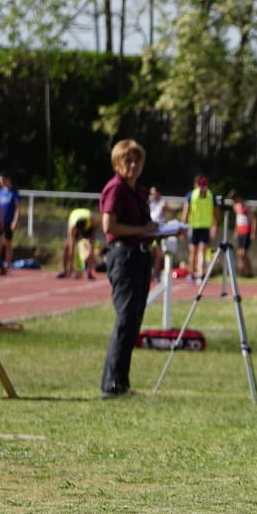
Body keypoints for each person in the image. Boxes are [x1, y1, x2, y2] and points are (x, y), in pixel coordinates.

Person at [99, 139, 172, 398]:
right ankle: (112, 385)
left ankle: (121, 382)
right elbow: (109, 226)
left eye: (137, 160)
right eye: (127, 160)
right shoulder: (116, 189)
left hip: (140, 256)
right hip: (124, 257)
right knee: (125, 319)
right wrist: (142, 230)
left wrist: (160, 231)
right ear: (118, 163)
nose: (132, 165)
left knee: (133, 322)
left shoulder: (139, 191)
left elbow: (145, 225)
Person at [184, 176, 217, 281]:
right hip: (198, 226)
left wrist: (214, 226)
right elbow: (186, 212)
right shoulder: (207, 195)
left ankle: (198, 273)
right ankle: (195, 273)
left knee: (198, 251)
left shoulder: (207, 196)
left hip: (201, 226)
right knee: (197, 251)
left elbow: (185, 213)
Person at [148, 185, 180, 280]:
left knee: (158, 254)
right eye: (151, 194)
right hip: (150, 232)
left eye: (154, 193)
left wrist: (168, 224)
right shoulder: (151, 204)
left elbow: (173, 212)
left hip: (159, 233)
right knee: (151, 253)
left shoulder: (162, 204)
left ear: (158, 194)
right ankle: (152, 273)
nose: (152, 195)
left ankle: (156, 274)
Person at [59, 207, 99, 280]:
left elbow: (95, 231)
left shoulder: (94, 220)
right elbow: (72, 247)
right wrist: (71, 265)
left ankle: (90, 271)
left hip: (89, 222)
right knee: (67, 246)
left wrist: (91, 251)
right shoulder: (73, 225)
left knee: (91, 246)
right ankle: (66, 270)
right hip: (75, 218)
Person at [0, 173, 20, 272]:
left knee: (8, 243)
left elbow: (18, 208)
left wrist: (15, 221)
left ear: (7, 179)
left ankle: (8, 264)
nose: (0, 182)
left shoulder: (13, 192)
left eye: (2, 180)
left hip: (9, 221)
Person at [231, 191, 255, 277]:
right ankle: (242, 271)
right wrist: (236, 230)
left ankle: (249, 272)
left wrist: (253, 232)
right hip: (240, 231)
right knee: (239, 253)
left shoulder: (246, 207)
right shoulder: (235, 206)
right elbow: (237, 219)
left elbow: (253, 219)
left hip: (246, 231)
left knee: (244, 253)